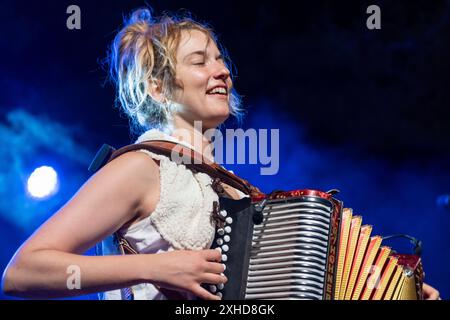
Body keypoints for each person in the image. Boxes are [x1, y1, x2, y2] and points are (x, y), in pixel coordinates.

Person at [1, 6, 440, 301]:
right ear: (158, 87)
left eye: (220, 59)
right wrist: (162, 268)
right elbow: (23, 271)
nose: (222, 70)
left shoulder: (226, 188)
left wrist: (393, 290)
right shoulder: (142, 168)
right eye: (200, 61)